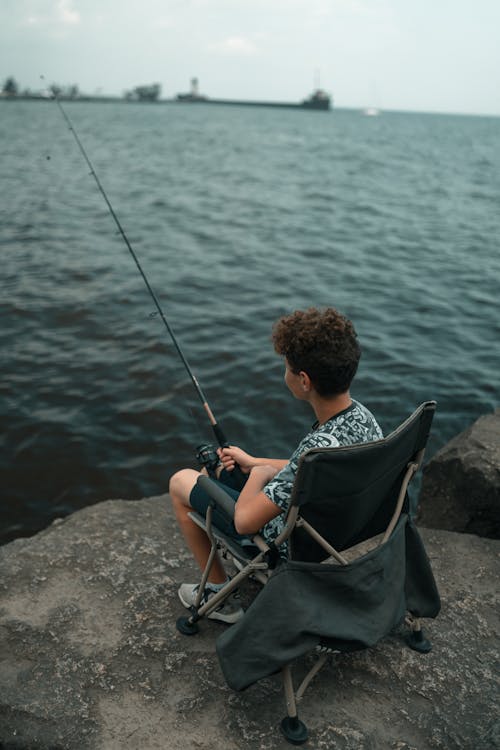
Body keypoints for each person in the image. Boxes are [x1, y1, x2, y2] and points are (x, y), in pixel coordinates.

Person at [169, 307, 382, 623]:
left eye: (287, 367)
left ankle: (217, 593)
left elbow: (244, 521)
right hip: (337, 533)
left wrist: (259, 473)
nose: (285, 374)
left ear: (304, 380)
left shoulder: (314, 449)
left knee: (181, 481)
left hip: (284, 542)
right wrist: (256, 461)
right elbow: (312, 466)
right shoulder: (365, 420)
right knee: (212, 473)